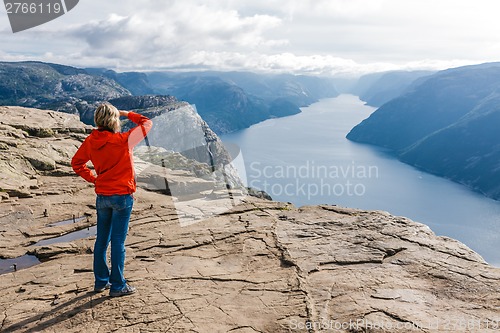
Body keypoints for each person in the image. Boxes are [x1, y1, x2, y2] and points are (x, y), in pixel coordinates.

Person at [71, 102, 152, 297]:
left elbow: (77, 163)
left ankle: (100, 282)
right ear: (114, 120)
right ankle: (117, 286)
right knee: (118, 242)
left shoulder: (91, 141)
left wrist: (94, 179)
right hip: (122, 196)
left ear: (97, 120)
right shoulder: (124, 140)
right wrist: (126, 113)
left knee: (102, 240)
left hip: (103, 197)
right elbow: (147, 123)